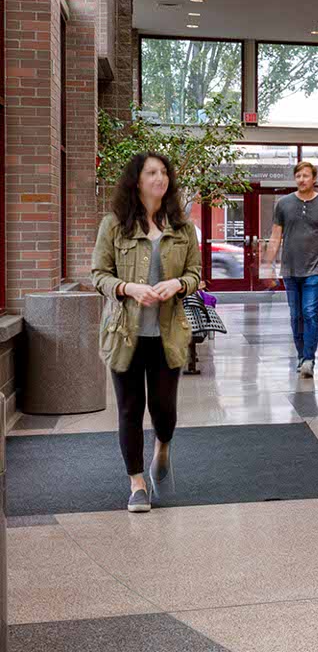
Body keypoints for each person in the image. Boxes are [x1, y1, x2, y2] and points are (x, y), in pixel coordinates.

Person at [91, 150, 202, 513]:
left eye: (164, 172)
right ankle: (137, 484)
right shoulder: (114, 225)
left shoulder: (183, 228)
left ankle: (163, 446)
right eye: (152, 172)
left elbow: (196, 276)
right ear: (137, 180)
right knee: (129, 409)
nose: (160, 178)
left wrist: (178, 285)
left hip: (167, 335)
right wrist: (129, 289)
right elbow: (99, 276)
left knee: (164, 410)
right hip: (125, 334)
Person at [263, 158, 318, 377]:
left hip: (314, 270)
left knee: (309, 313)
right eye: (298, 176)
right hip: (289, 270)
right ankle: (301, 356)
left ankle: (309, 359)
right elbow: (275, 237)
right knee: (295, 315)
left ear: (314, 179)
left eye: (306, 175)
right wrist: (267, 265)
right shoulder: (284, 204)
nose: (301, 179)